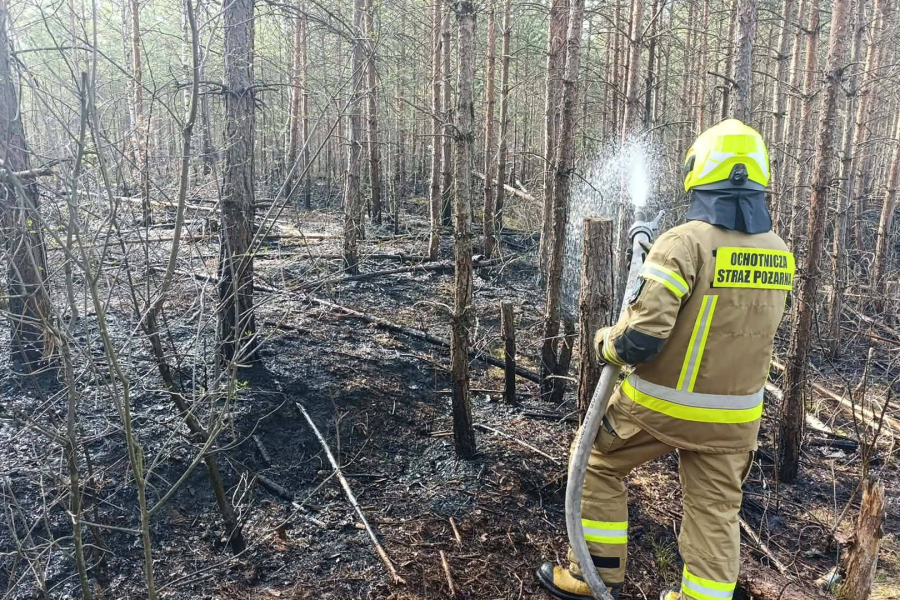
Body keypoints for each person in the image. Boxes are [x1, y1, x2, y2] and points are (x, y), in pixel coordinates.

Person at [537, 119, 794, 600]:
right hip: (736, 421)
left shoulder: (684, 242)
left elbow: (641, 338)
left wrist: (602, 343)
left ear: (699, 171)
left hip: (662, 406)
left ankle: (596, 575)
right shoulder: (779, 252)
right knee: (717, 509)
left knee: (595, 459)